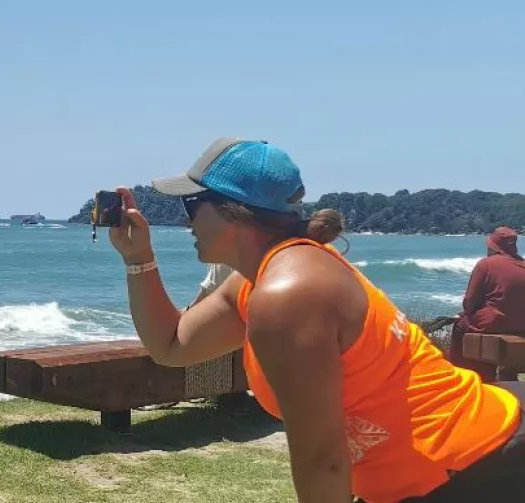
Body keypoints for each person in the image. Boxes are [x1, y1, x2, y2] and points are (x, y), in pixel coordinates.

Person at [107, 137, 525, 502]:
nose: (184, 220)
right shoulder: (256, 283)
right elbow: (172, 344)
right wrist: (138, 258)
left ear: (234, 211)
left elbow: (322, 462)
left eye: (191, 204)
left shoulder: (288, 296)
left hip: (477, 462)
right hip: (452, 463)